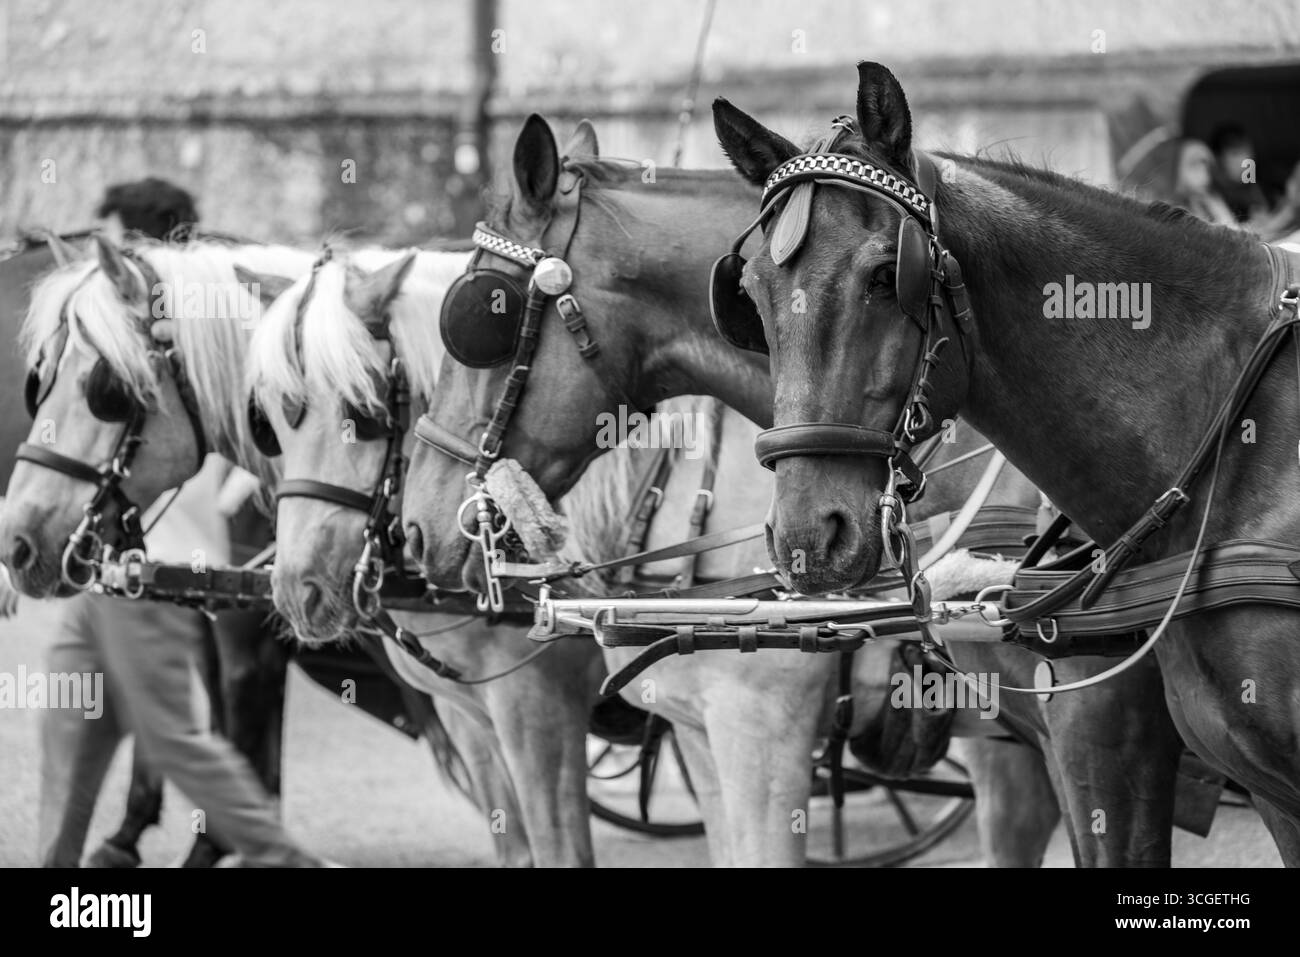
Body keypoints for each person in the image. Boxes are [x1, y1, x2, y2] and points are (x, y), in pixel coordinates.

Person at [37, 177, 327, 867]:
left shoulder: (177, 330)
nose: (101, 254)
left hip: (160, 557)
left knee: (172, 732)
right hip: (124, 556)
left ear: (134, 241)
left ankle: (275, 854)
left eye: (110, 238)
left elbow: (225, 425)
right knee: (72, 717)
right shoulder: (137, 324)